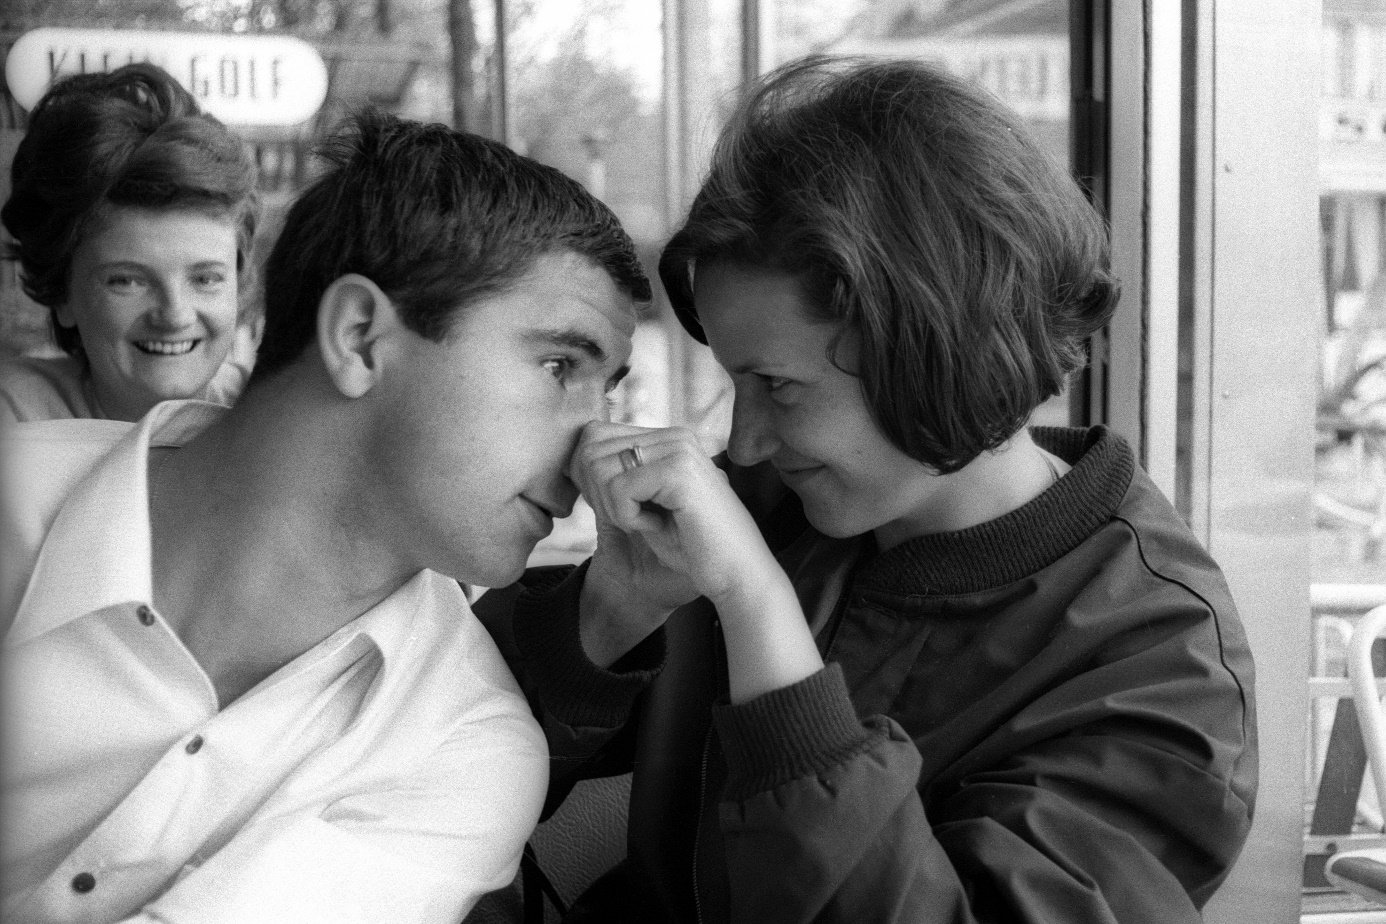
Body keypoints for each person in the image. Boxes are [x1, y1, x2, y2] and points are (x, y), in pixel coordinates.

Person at [478, 56, 1257, 923]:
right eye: (738, 385)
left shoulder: (1159, 669)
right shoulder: (771, 501)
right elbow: (448, 735)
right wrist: (611, 612)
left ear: (935, 353)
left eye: (779, 386)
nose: (744, 440)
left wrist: (759, 608)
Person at [1, 109, 652, 923]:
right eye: (561, 365)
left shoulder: (465, 748)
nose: (602, 445)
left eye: (611, 388)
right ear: (359, 337)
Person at [0, 62, 260, 423]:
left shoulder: (271, 416)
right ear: (62, 293)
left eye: (205, 279)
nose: (174, 315)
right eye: (127, 281)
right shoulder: (15, 420)